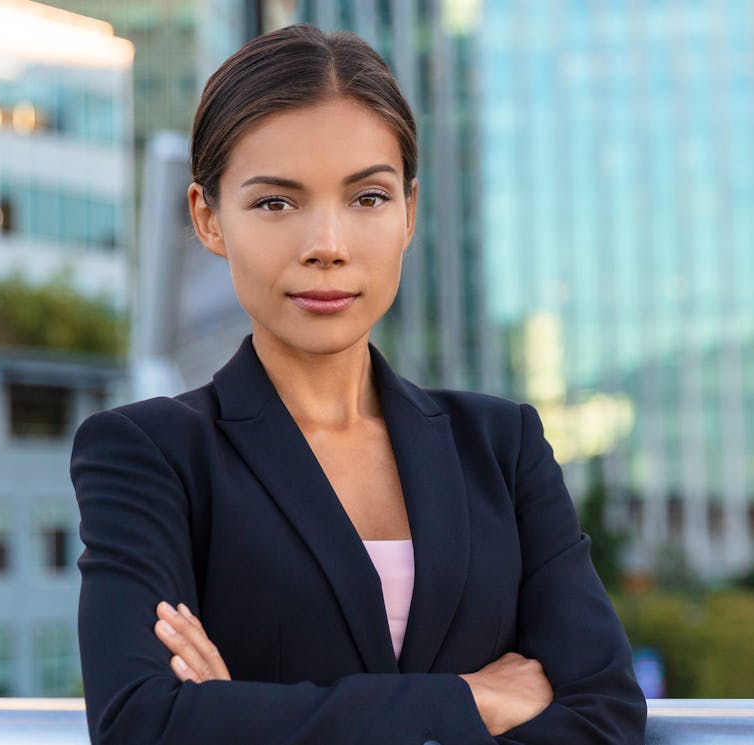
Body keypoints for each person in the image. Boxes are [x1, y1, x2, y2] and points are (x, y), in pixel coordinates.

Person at [71, 23, 647, 745]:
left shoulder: (503, 447)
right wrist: (467, 701)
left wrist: (242, 714)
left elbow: (606, 714)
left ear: (409, 211)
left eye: (367, 198)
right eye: (276, 203)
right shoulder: (148, 454)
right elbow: (143, 725)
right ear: (208, 218)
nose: (328, 247)